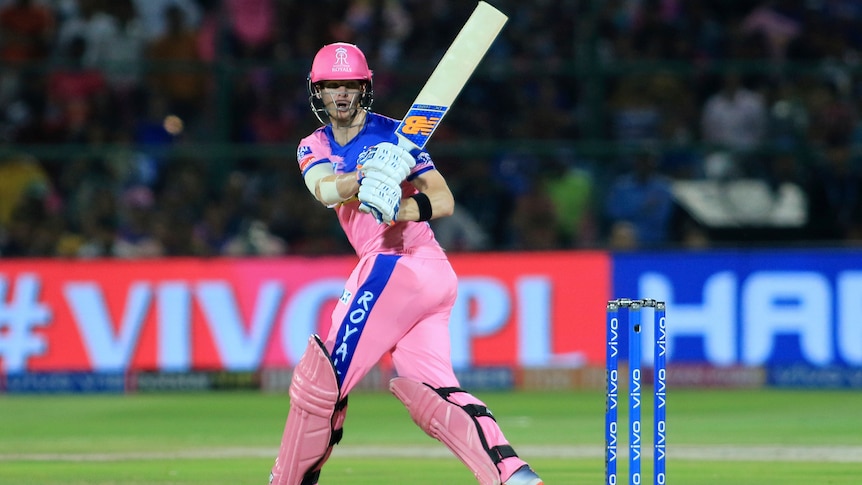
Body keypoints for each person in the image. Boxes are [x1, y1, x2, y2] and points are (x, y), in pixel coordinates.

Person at [268, 42, 543, 485]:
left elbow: (443, 199)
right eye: (331, 86)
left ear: (365, 89)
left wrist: (397, 206)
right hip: (425, 279)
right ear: (316, 92)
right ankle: (513, 475)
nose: (340, 94)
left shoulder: (400, 137)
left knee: (321, 385)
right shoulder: (312, 145)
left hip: (399, 263)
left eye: (350, 86)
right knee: (433, 394)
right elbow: (323, 190)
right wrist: (367, 175)